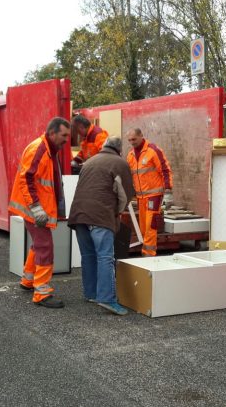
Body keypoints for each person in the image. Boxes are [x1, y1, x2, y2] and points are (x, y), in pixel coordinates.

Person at [8, 117, 71, 308]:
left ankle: (28, 281)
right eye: (64, 135)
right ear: (52, 133)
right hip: (34, 209)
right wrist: (36, 208)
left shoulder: (48, 150)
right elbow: (25, 179)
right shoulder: (40, 149)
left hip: (36, 208)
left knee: (38, 244)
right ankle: (41, 293)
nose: (67, 140)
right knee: (45, 247)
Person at [68, 137, 135, 315]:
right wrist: (115, 213)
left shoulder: (89, 161)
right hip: (100, 216)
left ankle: (91, 293)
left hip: (79, 215)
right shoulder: (119, 163)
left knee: (88, 255)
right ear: (119, 150)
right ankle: (106, 298)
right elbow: (125, 195)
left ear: (104, 146)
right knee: (105, 257)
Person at [125, 128, 173, 257]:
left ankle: (148, 255)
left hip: (154, 196)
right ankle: (147, 253)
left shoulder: (153, 151)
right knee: (143, 228)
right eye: (129, 140)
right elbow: (129, 176)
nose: (132, 142)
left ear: (141, 136)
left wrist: (168, 191)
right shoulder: (130, 155)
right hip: (141, 198)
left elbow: (165, 170)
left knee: (150, 226)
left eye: (134, 139)